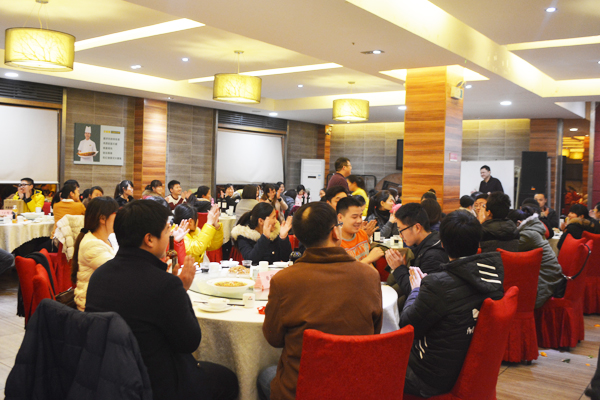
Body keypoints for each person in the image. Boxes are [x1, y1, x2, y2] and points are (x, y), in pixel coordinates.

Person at [85, 200, 238, 400]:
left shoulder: (99, 276)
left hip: (108, 378)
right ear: (149, 239)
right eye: (167, 231)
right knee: (228, 379)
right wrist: (181, 290)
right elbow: (190, 341)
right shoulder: (164, 284)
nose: (171, 236)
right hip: (157, 384)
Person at [257, 202, 382, 400]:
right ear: (335, 232)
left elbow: (274, 339)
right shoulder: (369, 276)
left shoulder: (284, 280)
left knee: (264, 374)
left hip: (301, 389)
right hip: (355, 386)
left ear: (299, 237)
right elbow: (374, 331)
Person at [400, 210, 504, 397]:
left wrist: (417, 290)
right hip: (467, 367)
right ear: (477, 243)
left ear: (443, 244)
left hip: (429, 377)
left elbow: (407, 326)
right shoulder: (492, 274)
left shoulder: (438, 284)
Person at [385, 203, 448, 306]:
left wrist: (398, 268)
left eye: (401, 230)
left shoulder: (433, 255)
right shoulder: (428, 241)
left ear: (417, 228)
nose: (400, 235)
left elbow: (417, 293)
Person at [507, 205, 565, 308]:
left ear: (518, 223)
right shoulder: (532, 229)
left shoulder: (528, 235)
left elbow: (506, 250)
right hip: (548, 275)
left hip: (545, 281)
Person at [71, 197, 119, 311]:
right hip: (91, 308)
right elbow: (117, 272)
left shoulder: (107, 238)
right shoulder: (92, 245)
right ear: (102, 218)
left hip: (101, 301)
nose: (118, 218)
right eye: (115, 214)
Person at [337, 197, 383, 266]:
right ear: (340, 217)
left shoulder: (362, 234)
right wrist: (369, 259)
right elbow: (345, 270)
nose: (359, 221)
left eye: (360, 216)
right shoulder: (336, 243)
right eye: (354, 217)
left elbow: (369, 264)